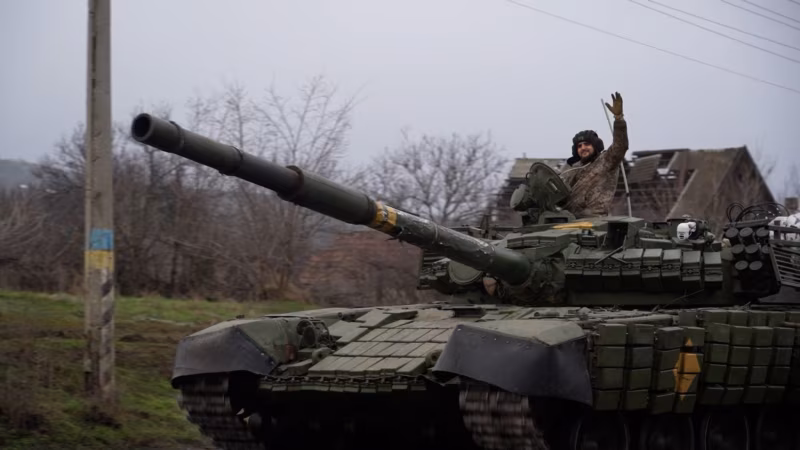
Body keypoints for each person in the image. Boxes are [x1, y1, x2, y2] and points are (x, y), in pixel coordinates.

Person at [559, 92, 629, 218]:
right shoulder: (572, 168)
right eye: (579, 146)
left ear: (595, 146)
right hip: (568, 220)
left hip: (595, 221)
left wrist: (619, 120)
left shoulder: (606, 161)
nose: (583, 148)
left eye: (587, 144)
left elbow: (620, 146)